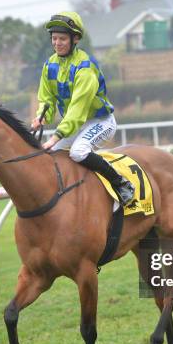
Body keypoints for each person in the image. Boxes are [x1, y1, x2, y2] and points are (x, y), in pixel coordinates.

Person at [31, 11, 135, 206]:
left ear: (75, 38)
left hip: (100, 122)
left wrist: (55, 137)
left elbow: (77, 110)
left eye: (62, 38)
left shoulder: (85, 67)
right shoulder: (49, 65)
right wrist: (41, 117)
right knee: (50, 153)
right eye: (54, 38)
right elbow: (46, 99)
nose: (57, 43)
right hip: (75, 124)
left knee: (78, 152)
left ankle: (120, 183)